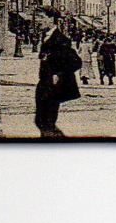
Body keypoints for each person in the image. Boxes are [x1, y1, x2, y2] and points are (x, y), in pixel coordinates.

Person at [34, 10, 83, 138]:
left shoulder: (61, 39)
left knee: (46, 122)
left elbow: (76, 62)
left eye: (42, 17)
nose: (39, 20)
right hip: (44, 83)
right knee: (41, 121)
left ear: (51, 19)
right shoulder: (46, 37)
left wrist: (59, 74)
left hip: (52, 86)